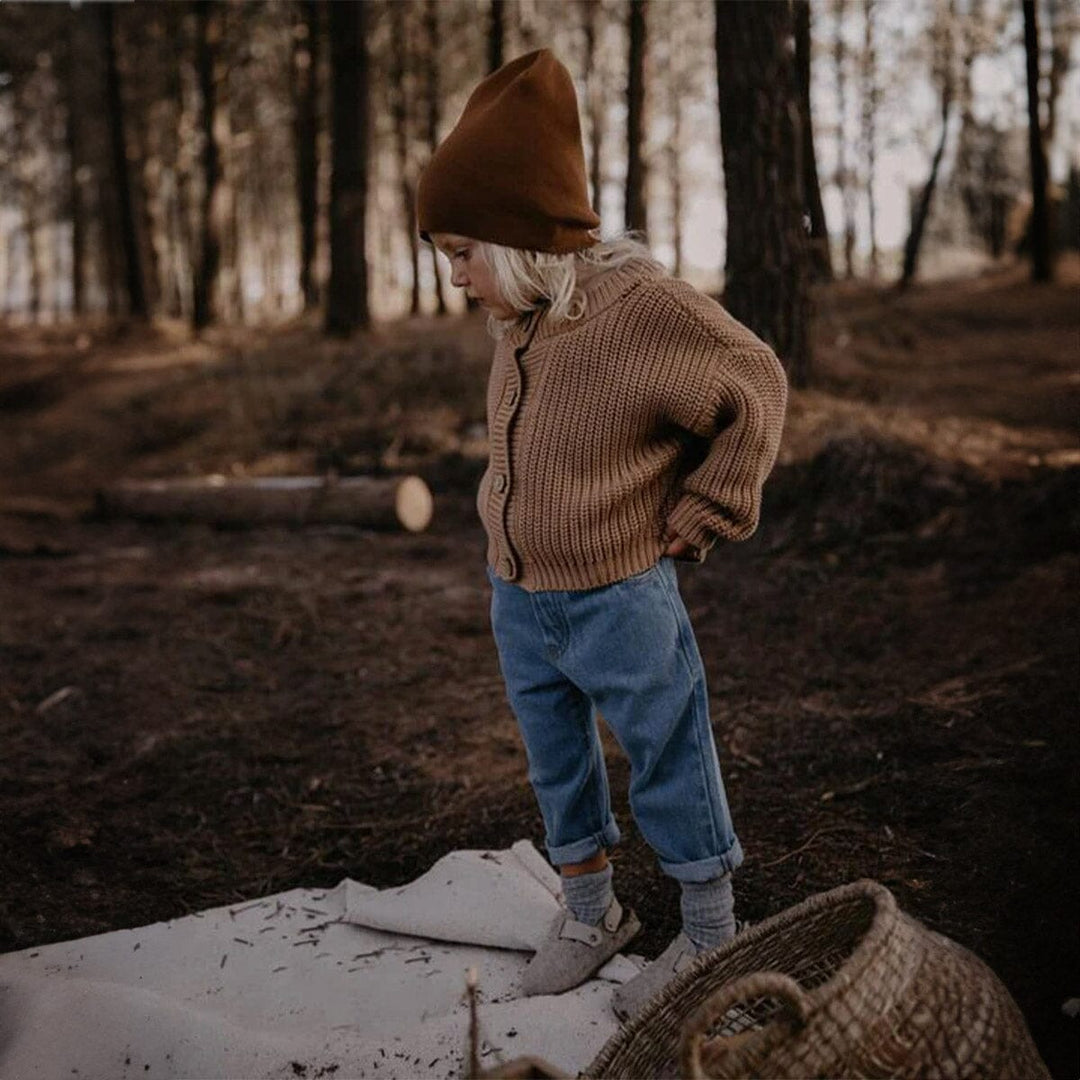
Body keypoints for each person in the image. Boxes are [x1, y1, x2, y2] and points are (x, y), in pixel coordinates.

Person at [416, 49, 787, 1020]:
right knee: (556, 761)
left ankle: (711, 933)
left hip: (620, 593)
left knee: (668, 750)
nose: (453, 277)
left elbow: (757, 383)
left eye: (462, 252)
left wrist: (710, 506)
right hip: (518, 593)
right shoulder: (525, 319)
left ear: (520, 234)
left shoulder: (638, 310)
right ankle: (592, 913)